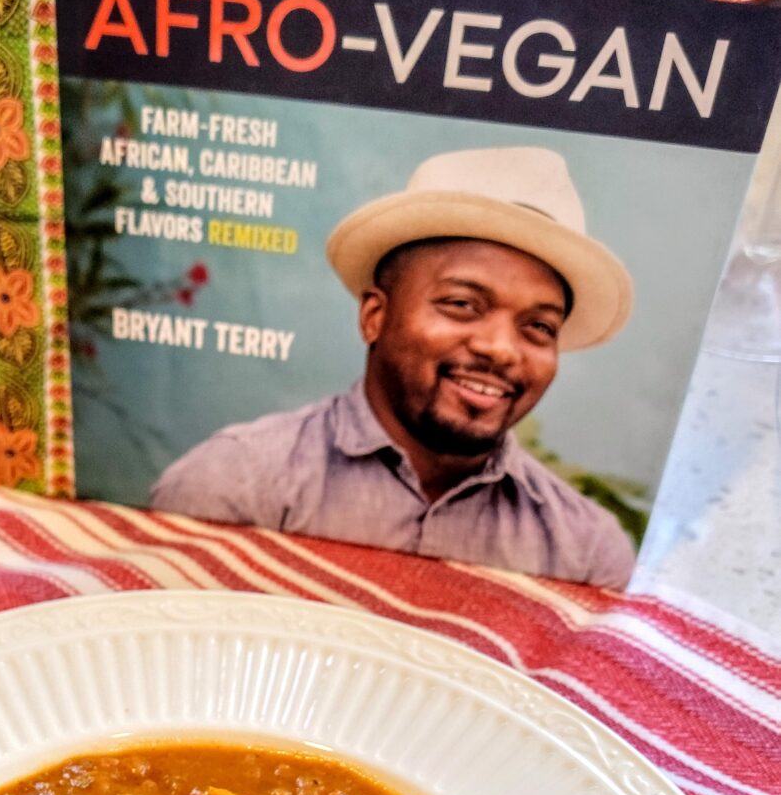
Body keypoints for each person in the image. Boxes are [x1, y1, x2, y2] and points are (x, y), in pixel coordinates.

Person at [149, 146, 637, 589]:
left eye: (538, 327)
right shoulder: (236, 484)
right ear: (375, 316)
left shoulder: (586, 554)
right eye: (463, 304)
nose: (502, 350)